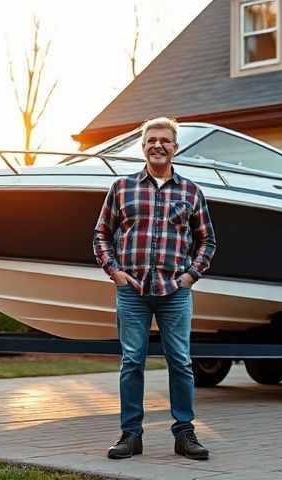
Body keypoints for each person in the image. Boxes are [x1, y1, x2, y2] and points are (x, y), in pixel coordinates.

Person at [93, 116, 217, 460]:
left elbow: (207, 242)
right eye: (151, 140)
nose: (157, 145)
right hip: (131, 290)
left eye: (165, 140)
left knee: (180, 361)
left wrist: (190, 276)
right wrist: (115, 272)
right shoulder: (121, 188)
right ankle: (131, 435)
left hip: (175, 292)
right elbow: (102, 235)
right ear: (143, 146)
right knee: (132, 361)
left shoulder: (191, 192)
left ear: (175, 147)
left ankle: (184, 434)